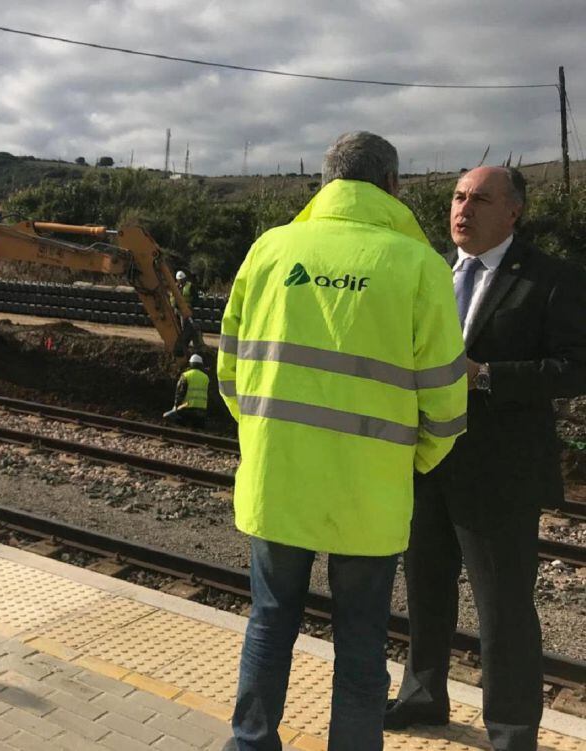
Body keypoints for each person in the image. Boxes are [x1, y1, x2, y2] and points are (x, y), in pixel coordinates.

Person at [218, 131, 467, 750]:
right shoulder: (419, 266)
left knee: (270, 623)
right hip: (371, 493)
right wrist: (413, 460)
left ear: (326, 180)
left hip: (280, 480)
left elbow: (229, 368)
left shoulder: (270, 250)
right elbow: (444, 395)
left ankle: (249, 745)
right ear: (393, 187)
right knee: (361, 640)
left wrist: (267, 437)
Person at [385, 167, 586, 750]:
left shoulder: (551, 278)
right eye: (457, 196)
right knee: (425, 590)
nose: (462, 209)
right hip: (425, 462)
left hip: (501, 474)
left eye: (479, 199)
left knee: (504, 611)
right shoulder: (428, 271)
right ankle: (422, 697)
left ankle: (512, 731)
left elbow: (575, 366)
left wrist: (489, 376)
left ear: (513, 212)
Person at [163, 353, 209, 428]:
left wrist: (176, 407)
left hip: (187, 409)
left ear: (190, 364)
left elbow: (180, 393)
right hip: (202, 411)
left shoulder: (186, 375)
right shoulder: (206, 377)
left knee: (171, 419)